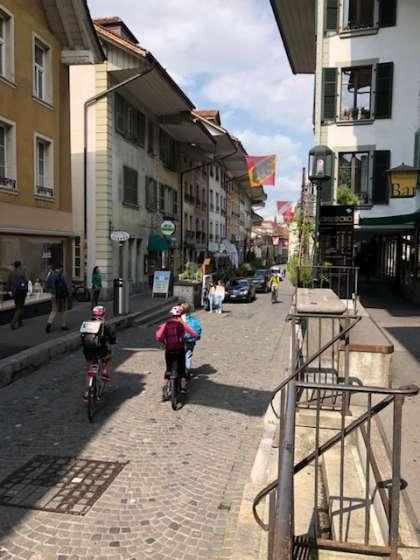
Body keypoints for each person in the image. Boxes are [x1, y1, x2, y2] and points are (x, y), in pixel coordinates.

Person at [155, 305, 197, 399]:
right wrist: (194, 336)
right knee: (182, 368)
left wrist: (163, 342)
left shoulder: (166, 324)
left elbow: (158, 336)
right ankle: (183, 387)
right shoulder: (181, 324)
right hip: (180, 349)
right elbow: (193, 333)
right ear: (181, 315)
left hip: (169, 349)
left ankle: (165, 387)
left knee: (168, 369)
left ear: (171, 315)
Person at [80, 305, 116, 401]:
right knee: (109, 357)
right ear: (103, 314)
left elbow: (82, 337)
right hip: (101, 351)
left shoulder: (86, 324)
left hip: (88, 351)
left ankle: (87, 393)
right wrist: (112, 341)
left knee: (89, 371)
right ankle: (104, 372)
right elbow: (112, 338)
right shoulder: (104, 325)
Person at [45, 264, 70, 332]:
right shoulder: (61, 275)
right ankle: (63, 325)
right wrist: (67, 292)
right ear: (60, 268)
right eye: (62, 268)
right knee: (63, 310)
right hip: (61, 295)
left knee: (53, 310)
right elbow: (65, 285)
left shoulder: (51, 275)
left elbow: (48, 286)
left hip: (53, 294)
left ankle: (49, 324)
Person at [181, 303, 202, 377]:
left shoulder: (180, 319)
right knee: (188, 355)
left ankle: (181, 371)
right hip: (191, 341)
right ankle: (187, 371)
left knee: (181, 355)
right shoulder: (194, 319)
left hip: (182, 340)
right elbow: (198, 329)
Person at [6, 261, 28, 330]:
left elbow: (8, 283)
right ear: (19, 265)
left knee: (18, 306)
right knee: (20, 308)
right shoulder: (22, 272)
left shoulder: (11, 273)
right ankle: (13, 322)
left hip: (14, 292)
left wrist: (8, 291)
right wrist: (26, 290)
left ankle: (20, 322)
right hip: (21, 292)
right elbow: (26, 281)